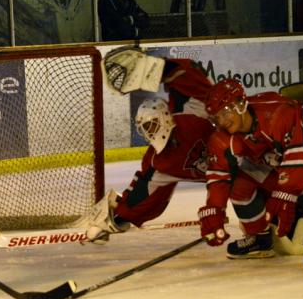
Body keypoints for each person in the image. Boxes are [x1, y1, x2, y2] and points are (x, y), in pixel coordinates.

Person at [199, 78, 303, 273]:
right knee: (239, 182)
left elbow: (296, 165)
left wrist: (284, 194)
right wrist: (214, 208)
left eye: (225, 113)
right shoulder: (223, 136)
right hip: (279, 147)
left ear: (240, 103)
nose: (222, 121)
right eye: (216, 117)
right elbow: (219, 177)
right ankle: (260, 238)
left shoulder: (279, 113)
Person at [85, 57, 214, 243]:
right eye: (145, 129)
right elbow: (144, 194)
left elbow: (191, 76)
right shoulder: (159, 160)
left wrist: (163, 67)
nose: (151, 133)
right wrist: (117, 218)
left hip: (240, 160)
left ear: (166, 117)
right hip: (222, 176)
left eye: (153, 125)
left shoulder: (190, 114)